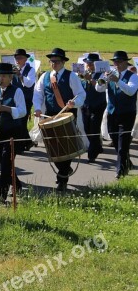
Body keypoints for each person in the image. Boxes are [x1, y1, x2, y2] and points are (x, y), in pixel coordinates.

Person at [33, 47, 86, 192]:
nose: (53, 63)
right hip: (50, 115)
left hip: (67, 116)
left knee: (65, 147)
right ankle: (65, 169)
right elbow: (37, 93)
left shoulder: (72, 76)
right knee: (53, 149)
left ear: (63, 62)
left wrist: (74, 103)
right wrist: (37, 108)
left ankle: (62, 179)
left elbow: (81, 94)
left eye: (56, 61)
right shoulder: (45, 76)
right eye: (51, 61)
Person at [0, 63, 26, 203]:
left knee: (6, 163)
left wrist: (7, 109)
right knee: (6, 163)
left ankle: (1, 196)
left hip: (13, 132)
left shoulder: (17, 91)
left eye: (3, 76)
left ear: (10, 77)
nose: (0, 78)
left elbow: (23, 111)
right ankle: (18, 185)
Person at [95, 51, 137, 179]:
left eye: (119, 62)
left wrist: (118, 81)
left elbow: (130, 91)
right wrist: (102, 81)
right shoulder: (111, 74)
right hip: (112, 112)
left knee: (122, 144)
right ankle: (127, 162)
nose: (116, 64)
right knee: (115, 140)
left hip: (127, 113)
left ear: (125, 62)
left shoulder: (133, 76)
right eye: (115, 62)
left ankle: (120, 171)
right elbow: (99, 89)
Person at [80, 53, 106, 162]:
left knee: (94, 129)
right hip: (86, 105)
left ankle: (92, 154)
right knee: (86, 129)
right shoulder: (85, 74)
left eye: (91, 63)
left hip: (98, 105)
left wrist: (90, 79)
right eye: (87, 63)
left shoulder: (102, 75)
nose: (88, 65)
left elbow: (100, 87)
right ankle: (97, 146)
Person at [12, 48, 36, 151]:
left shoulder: (31, 70)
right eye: (16, 58)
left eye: (20, 58)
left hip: (26, 98)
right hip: (15, 98)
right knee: (18, 121)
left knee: (22, 121)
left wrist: (20, 75)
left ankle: (21, 145)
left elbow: (29, 84)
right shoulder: (13, 69)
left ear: (25, 59)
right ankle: (27, 141)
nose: (18, 60)